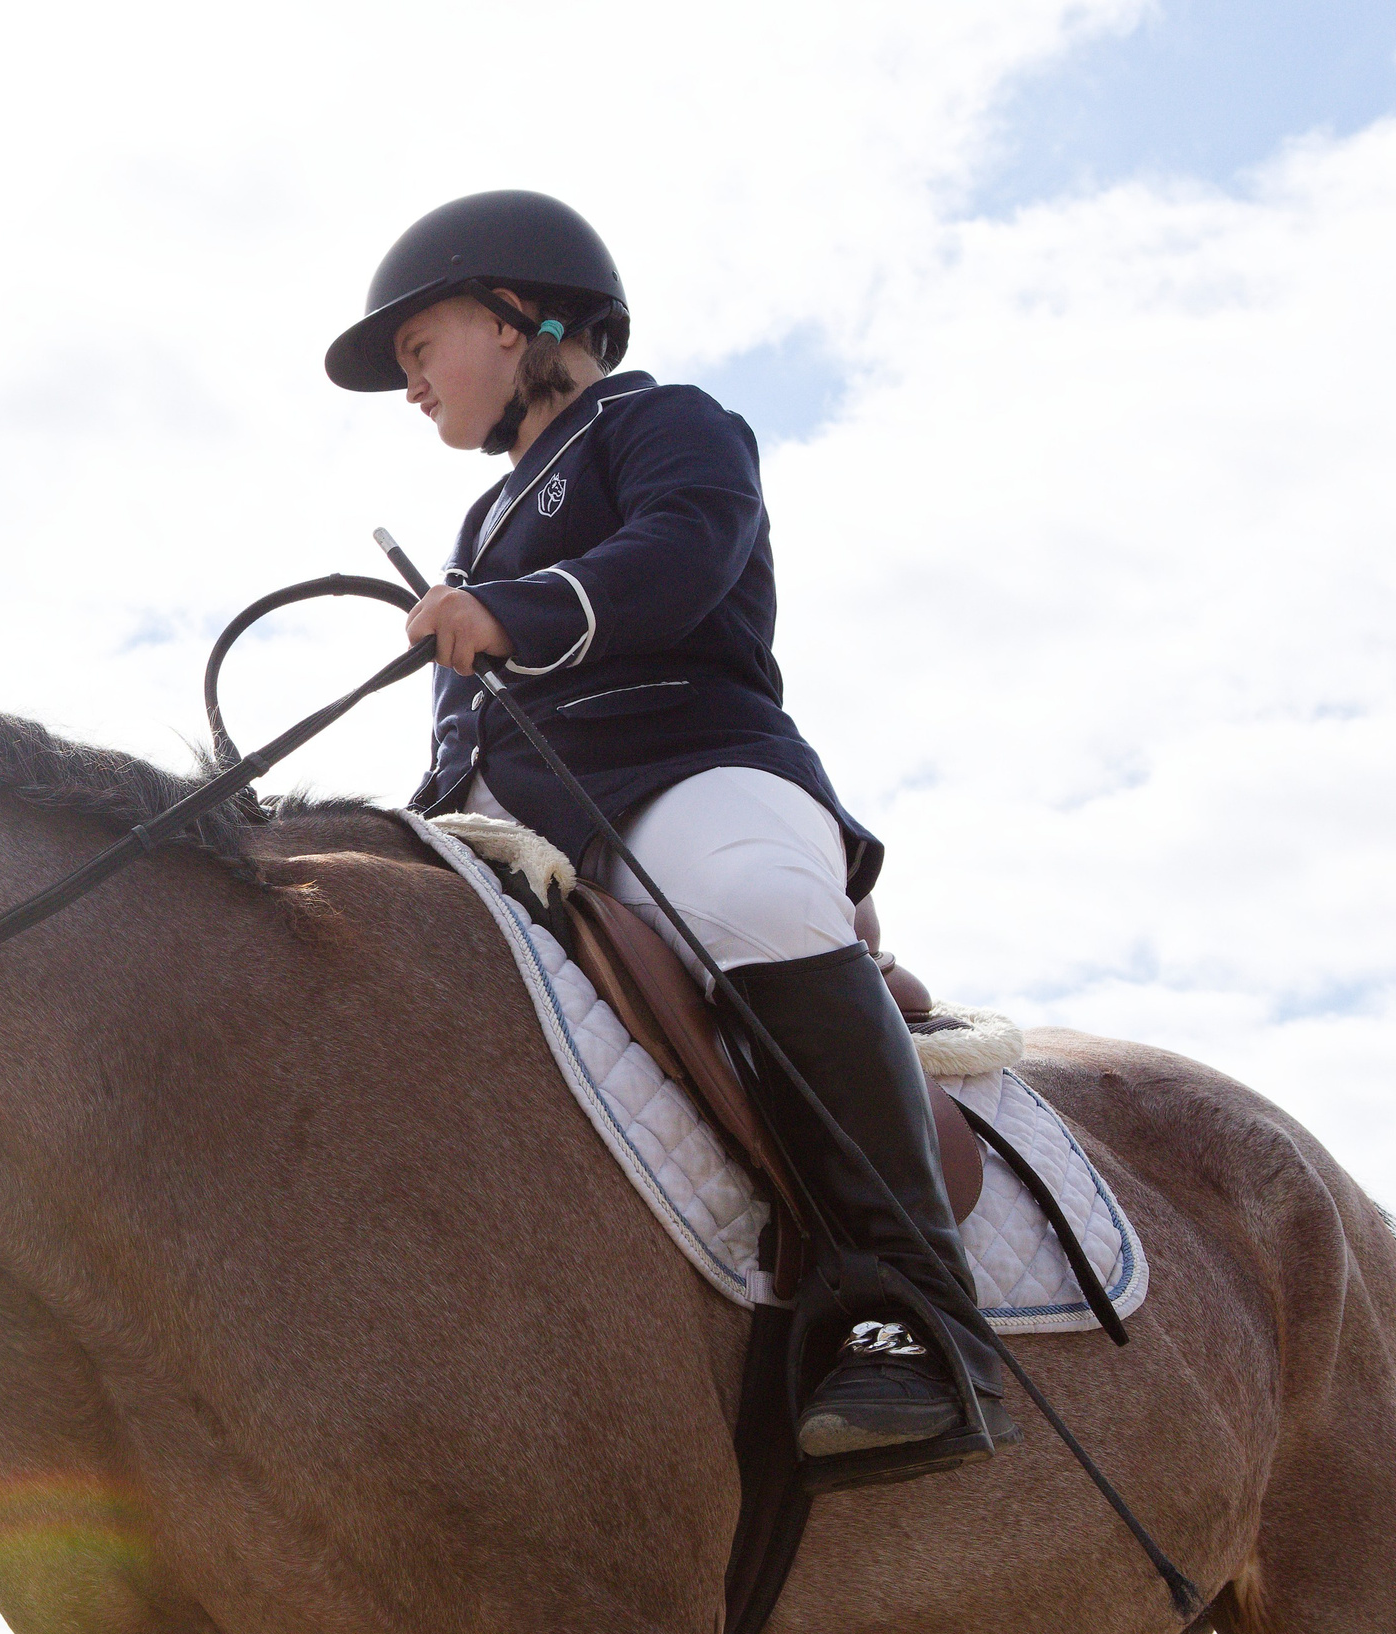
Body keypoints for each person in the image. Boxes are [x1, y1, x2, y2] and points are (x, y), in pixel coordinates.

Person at [326, 189, 1016, 1478]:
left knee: (757, 903)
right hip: (517, 815)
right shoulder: (482, 524)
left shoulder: (669, 422)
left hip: (684, 769)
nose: (412, 386)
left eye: (422, 350)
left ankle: (912, 1315)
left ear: (524, 313)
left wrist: (515, 610)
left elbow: (683, 555)